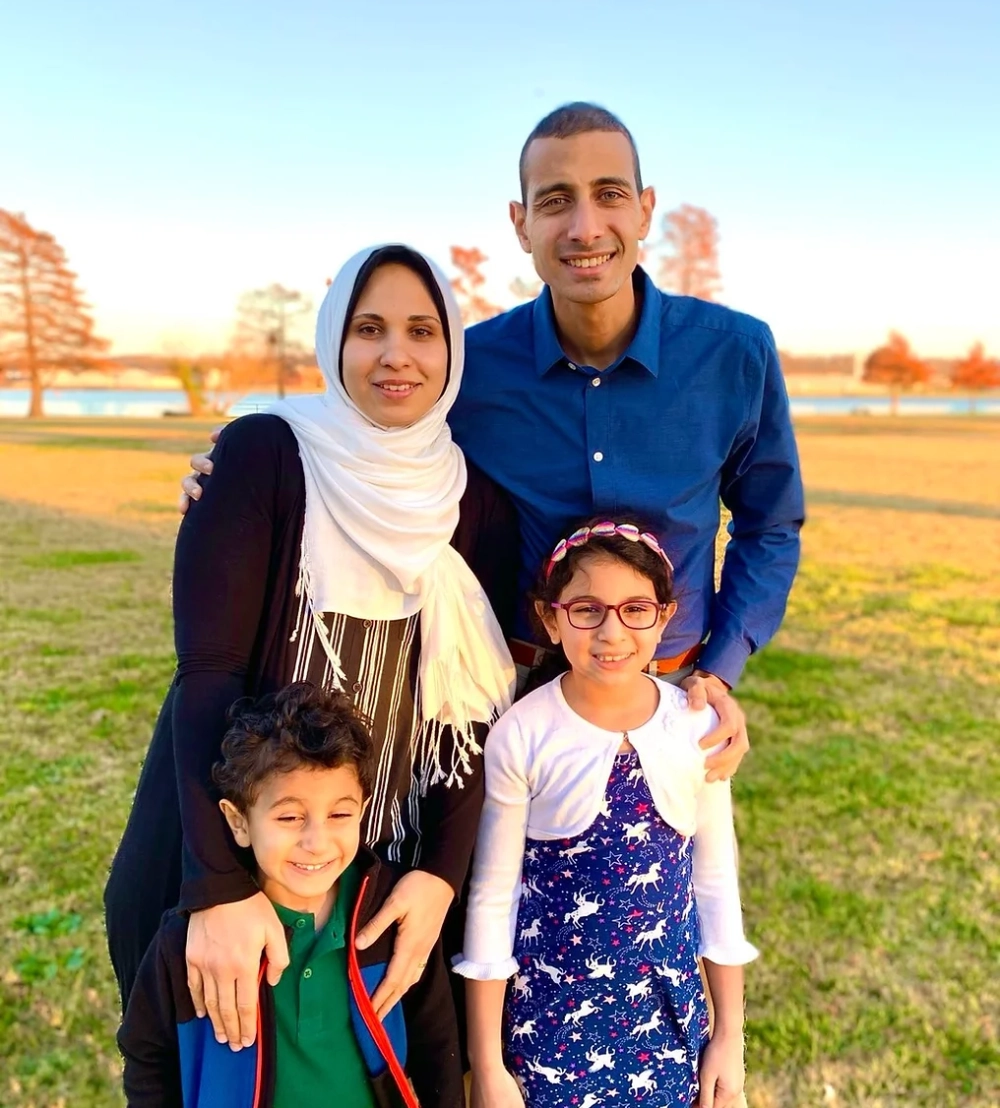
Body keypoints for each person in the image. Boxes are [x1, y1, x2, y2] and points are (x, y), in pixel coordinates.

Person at [181, 102, 804, 783]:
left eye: (609, 195)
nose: (585, 226)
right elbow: (368, 432)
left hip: (670, 694)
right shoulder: (467, 368)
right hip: (505, 694)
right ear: (521, 223)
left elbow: (770, 524)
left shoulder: (735, 354)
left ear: (645, 211)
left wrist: (720, 668)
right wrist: (247, 466)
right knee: (491, 889)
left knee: (665, 888)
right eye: (556, 200)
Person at [104, 244, 518, 1058]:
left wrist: (436, 876)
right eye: (369, 328)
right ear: (334, 341)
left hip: (376, 872)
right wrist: (220, 889)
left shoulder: (479, 505)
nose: (395, 354)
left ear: (451, 351)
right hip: (243, 852)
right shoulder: (265, 454)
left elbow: (471, 717)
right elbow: (207, 676)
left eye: (422, 330)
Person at [455, 518, 758, 1108]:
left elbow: (715, 886)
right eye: (586, 609)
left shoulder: (697, 727)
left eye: (635, 609)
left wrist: (728, 1037)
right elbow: (494, 897)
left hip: (669, 1026)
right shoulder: (522, 733)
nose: (611, 631)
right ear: (550, 616)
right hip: (549, 1029)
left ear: (666, 616)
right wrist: (488, 1066)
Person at [118, 682, 464, 1108]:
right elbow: (147, 1056)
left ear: (363, 809)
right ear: (239, 822)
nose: (316, 841)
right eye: (289, 816)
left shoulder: (390, 913)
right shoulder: (193, 941)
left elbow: (438, 1040)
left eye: (339, 814)